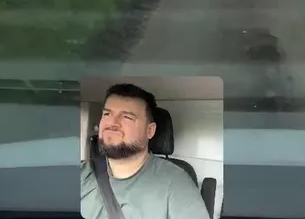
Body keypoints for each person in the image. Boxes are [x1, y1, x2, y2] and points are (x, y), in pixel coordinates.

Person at [80, 83, 210, 219]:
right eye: (107, 114)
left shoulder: (177, 184)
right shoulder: (81, 174)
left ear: (149, 131)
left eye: (127, 117)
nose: (112, 123)